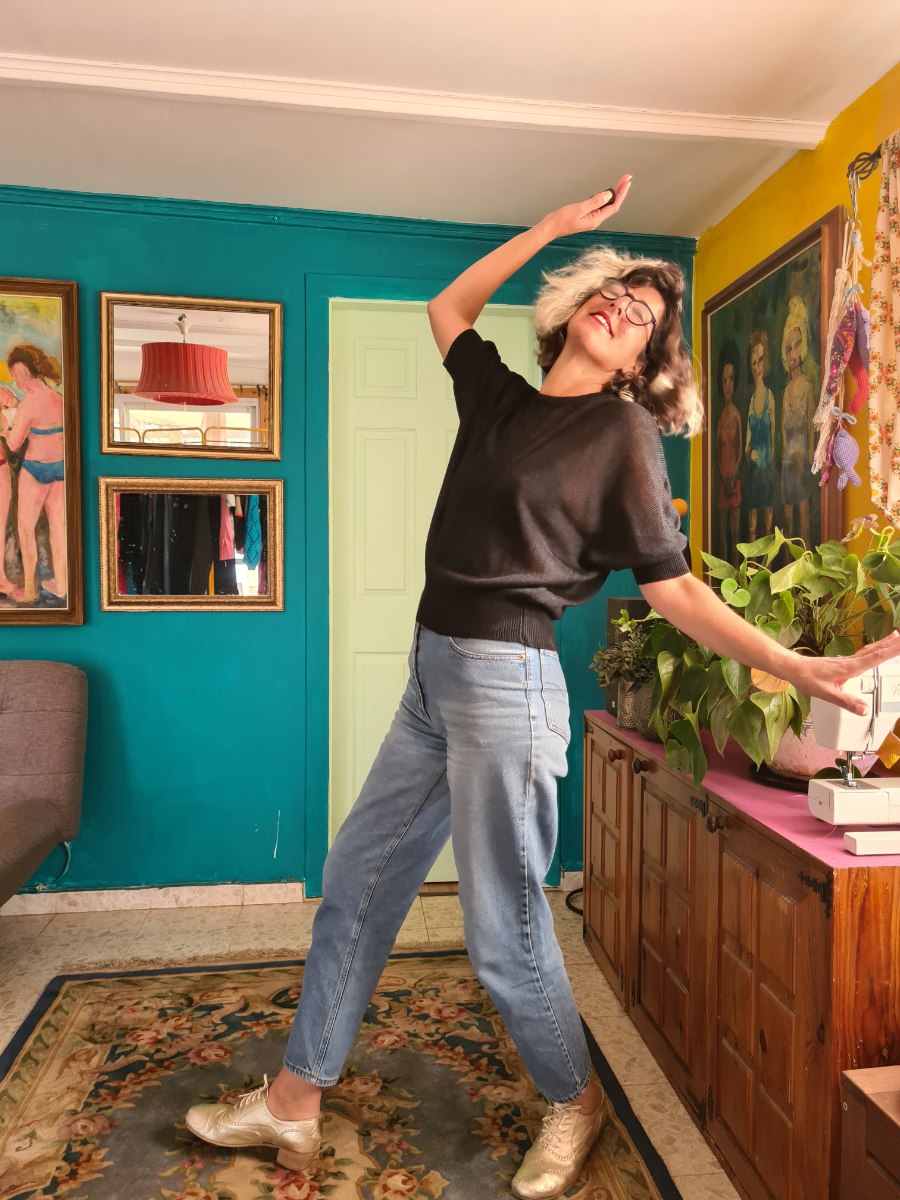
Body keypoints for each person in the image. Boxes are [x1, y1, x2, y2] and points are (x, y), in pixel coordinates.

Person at [184, 180, 900, 1200]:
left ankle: (576, 1098)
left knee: (505, 932)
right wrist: (558, 228)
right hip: (433, 672)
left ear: (641, 364)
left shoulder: (621, 437)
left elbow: (674, 587)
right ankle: (293, 1103)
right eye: (615, 293)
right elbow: (449, 307)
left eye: (643, 317)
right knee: (355, 882)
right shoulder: (501, 397)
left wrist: (791, 665)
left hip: (506, 689)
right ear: (574, 309)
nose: (621, 308)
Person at [2, 344, 67, 605]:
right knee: (59, 529)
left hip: (35, 470)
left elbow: (14, 444)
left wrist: (5, 426)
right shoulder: (59, 399)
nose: (14, 381)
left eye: (14, 375)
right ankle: (61, 584)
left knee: (25, 529)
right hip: (60, 470)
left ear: (22, 372)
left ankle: (30, 588)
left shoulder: (29, 403)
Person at [780, 297, 815, 543]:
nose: (793, 353)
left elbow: (811, 424)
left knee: (803, 511)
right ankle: (787, 560)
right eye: (788, 348)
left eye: (797, 346)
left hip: (803, 456)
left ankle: (805, 556)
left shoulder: (807, 386)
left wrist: (810, 452)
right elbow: (783, 427)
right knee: (788, 516)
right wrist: (785, 451)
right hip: (788, 460)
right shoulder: (785, 392)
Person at [744, 330, 776, 541]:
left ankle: (768, 558)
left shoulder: (769, 397)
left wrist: (769, 460)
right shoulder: (751, 400)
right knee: (752, 526)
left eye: (761, 360)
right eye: (754, 363)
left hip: (767, 469)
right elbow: (747, 443)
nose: (757, 367)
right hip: (754, 470)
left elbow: (774, 436)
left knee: (768, 525)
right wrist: (749, 453)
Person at [714, 341, 742, 564]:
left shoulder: (736, 415)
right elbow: (716, 454)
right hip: (723, 482)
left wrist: (733, 478)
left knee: (735, 531)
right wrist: (723, 481)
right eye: (724, 380)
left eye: (731, 379)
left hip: (734, 480)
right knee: (722, 531)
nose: (727, 385)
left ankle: (736, 569)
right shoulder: (720, 418)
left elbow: (740, 451)